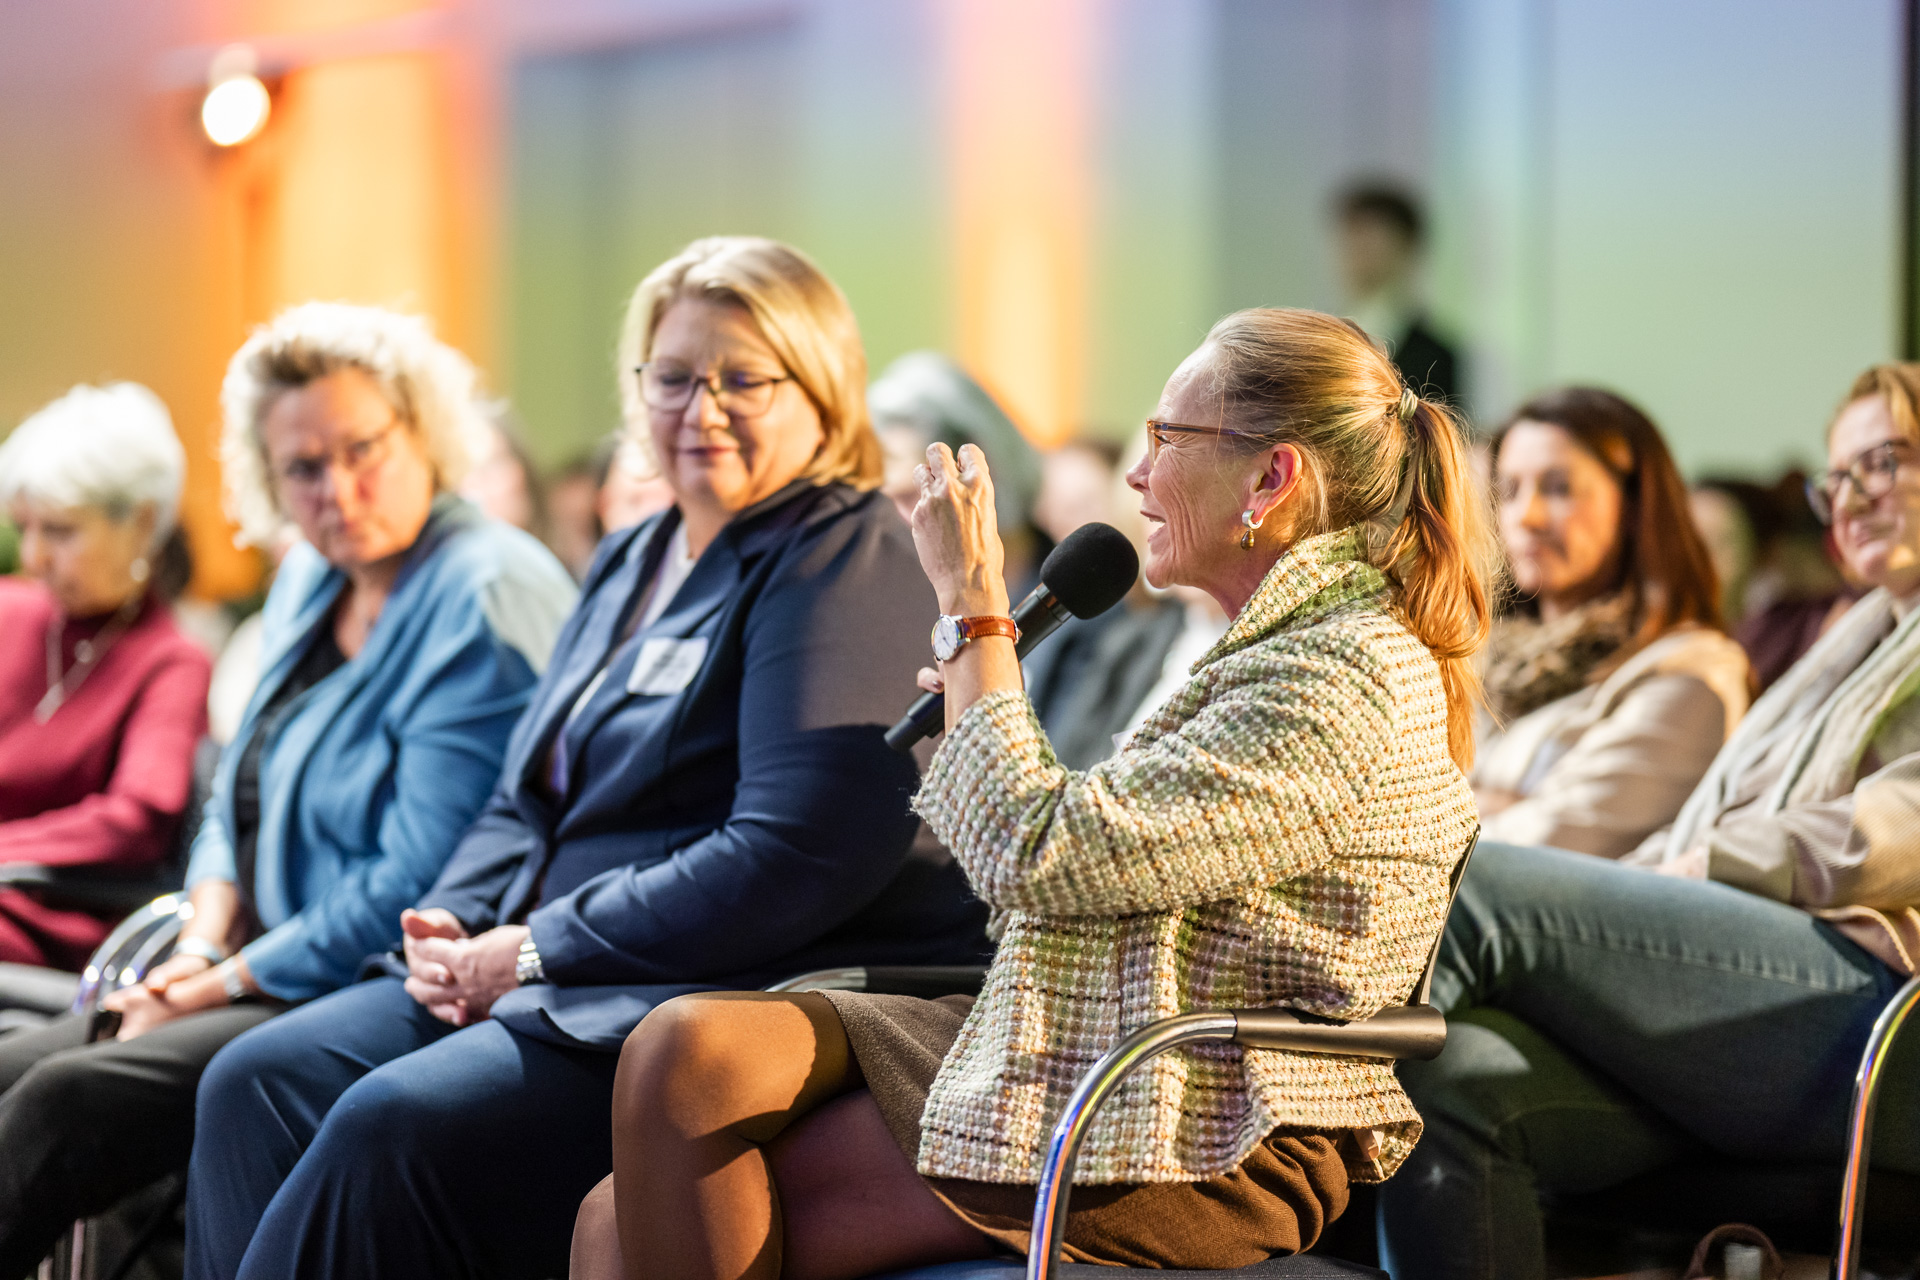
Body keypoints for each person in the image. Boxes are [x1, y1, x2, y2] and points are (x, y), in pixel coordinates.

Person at [567, 306, 1498, 1280]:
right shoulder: (1285, 651)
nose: (1136, 474)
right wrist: (980, 666)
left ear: (1271, 479)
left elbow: (1042, 855)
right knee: (679, 1065)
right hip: (1090, 1032)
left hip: (1195, 1112)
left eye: (1166, 440)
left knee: (631, 1208)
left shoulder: (1338, 676)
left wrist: (977, 612)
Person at [183, 237, 991, 1280]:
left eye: (743, 378)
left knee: (388, 1125)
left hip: (711, 991)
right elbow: (526, 799)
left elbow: (794, 850)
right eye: (673, 377)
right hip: (558, 966)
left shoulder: (842, 550)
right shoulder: (635, 554)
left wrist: (531, 948)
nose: (701, 408)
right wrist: (453, 924)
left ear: (822, 391)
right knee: (257, 1076)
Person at [0, 304, 576, 1276]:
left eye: (363, 449)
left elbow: (417, 874)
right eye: (303, 469)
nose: (338, 492)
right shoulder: (315, 572)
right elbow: (236, 784)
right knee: (18, 1068)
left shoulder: (482, 591)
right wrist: (197, 941)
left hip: (370, 978)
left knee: (63, 1100)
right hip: (251, 959)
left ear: (423, 432)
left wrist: (219, 980)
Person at [1378, 363, 1920, 1279]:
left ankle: (1250, 1145)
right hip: (1767, 1001)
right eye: (1841, 477)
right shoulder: (1856, 635)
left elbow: (1889, 831)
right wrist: (1682, 866)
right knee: (1451, 1076)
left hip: (1879, 1023)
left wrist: (1701, 867)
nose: (1854, 496)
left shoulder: (1707, 660)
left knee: (1474, 885)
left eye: (1888, 461)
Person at [1474, 389, 1750, 858]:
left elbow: (1550, 849)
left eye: (1558, 488)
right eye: (1509, 491)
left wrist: (1463, 808)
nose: (1527, 516)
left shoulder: (1691, 674)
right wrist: (1502, 805)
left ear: (1634, 507)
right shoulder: (1484, 657)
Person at [0, 383, 210, 969]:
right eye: (26, 527)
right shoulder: (9, 611)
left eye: (61, 532)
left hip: (49, 910)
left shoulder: (170, 661)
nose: (35, 556)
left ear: (141, 524)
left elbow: (135, 821)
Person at [1335, 183, 1461, 404]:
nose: (1358, 252)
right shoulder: (1328, 336)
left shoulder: (1435, 354)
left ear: (1407, 247)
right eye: (1352, 238)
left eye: (1372, 240)